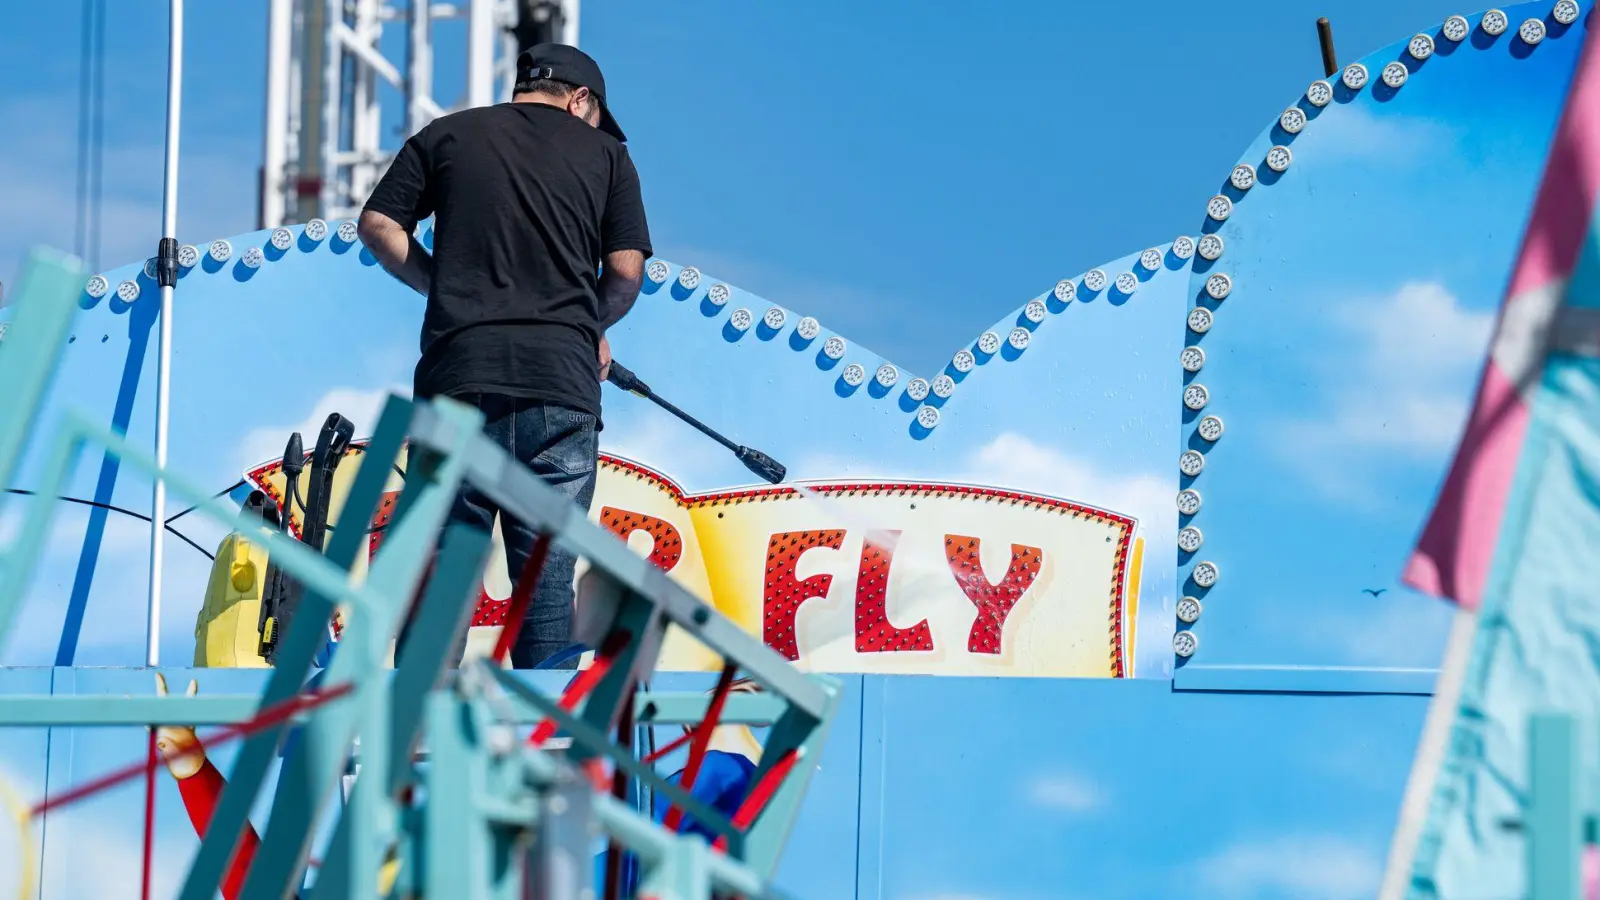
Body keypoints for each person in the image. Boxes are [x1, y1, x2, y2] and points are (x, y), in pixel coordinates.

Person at [358, 43, 651, 669]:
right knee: (545, 583)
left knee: (440, 571)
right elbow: (625, 275)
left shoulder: (447, 136)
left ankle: (411, 741)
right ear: (581, 101)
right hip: (560, 391)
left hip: (456, 382)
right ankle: (545, 749)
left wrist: (442, 286)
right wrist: (583, 327)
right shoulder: (607, 158)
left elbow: (379, 225)